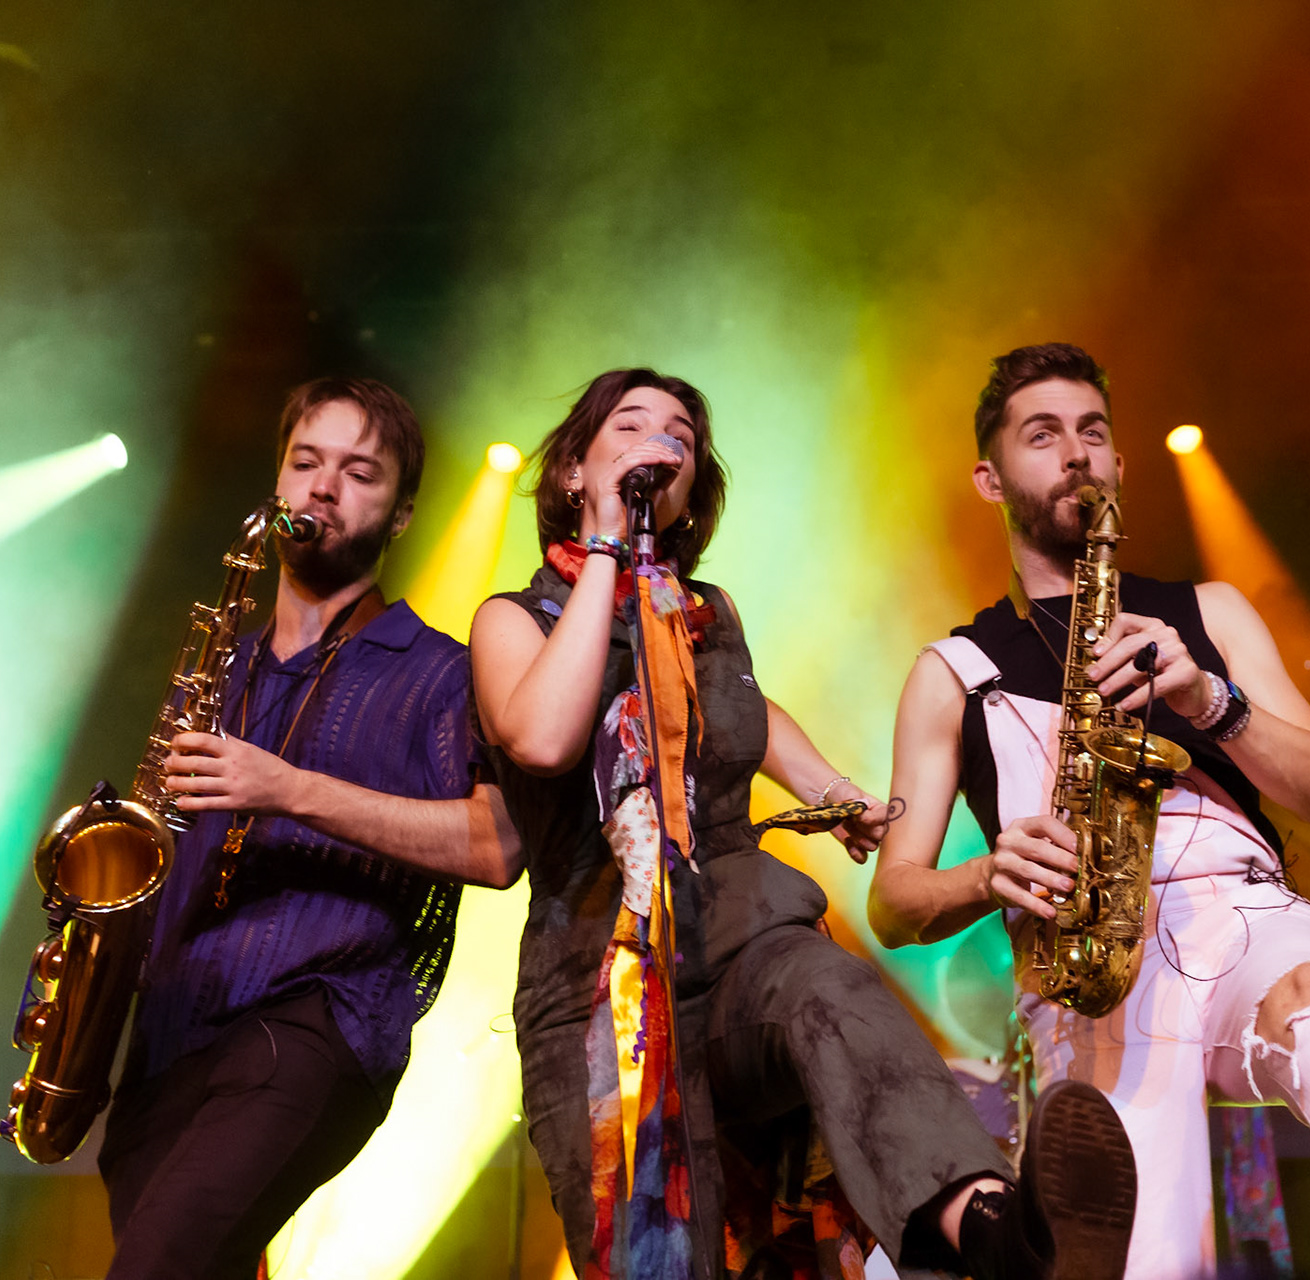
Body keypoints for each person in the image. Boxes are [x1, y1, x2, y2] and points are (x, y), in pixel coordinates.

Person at [868, 343, 1310, 1279]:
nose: (1076, 453)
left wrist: (1210, 699)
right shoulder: (952, 671)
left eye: (1093, 432)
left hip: (1242, 910)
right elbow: (893, 903)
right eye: (1042, 436)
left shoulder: (1207, 613)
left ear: (1120, 465)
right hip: (1089, 961)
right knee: (1135, 1252)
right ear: (989, 479)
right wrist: (986, 872)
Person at [469, 368, 1138, 1280]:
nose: (659, 441)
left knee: (831, 988)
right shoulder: (513, 620)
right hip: (598, 989)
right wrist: (606, 554)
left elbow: (743, 707)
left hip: (738, 938)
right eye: (628, 426)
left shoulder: (708, 616)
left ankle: (1003, 1236)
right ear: (573, 472)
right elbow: (544, 737)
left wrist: (829, 786)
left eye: (680, 435)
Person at [98, 377, 521, 1280]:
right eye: (306, 463)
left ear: (402, 515)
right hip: (169, 1038)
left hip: (315, 1020)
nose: (323, 487)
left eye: (360, 473)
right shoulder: (220, 670)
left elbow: (497, 847)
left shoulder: (440, 672)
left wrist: (291, 789)